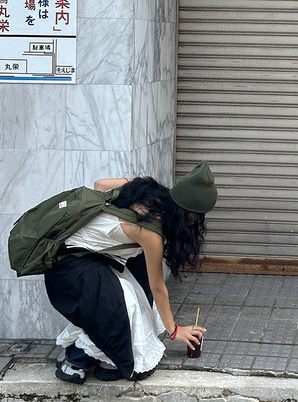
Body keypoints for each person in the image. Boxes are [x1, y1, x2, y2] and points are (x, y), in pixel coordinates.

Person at [44, 162, 217, 384]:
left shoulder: (149, 191)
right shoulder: (150, 233)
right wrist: (175, 331)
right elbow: (158, 287)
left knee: (138, 299)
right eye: (197, 217)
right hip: (71, 268)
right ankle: (76, 359)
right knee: (124, 307)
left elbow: (100, 185)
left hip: (87, 259)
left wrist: (102, 231)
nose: (197, 224)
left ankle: (94, 352)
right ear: (189, 216)